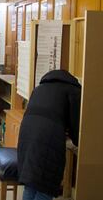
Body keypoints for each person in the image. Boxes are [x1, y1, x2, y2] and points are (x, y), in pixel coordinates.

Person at [18, 70, 81, 200]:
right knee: (45, 185)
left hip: (27, 132)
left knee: (31, 183)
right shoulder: (74, 91)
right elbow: (76, 122)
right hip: (49, 135)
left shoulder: (39, 87)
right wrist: (78, 141)